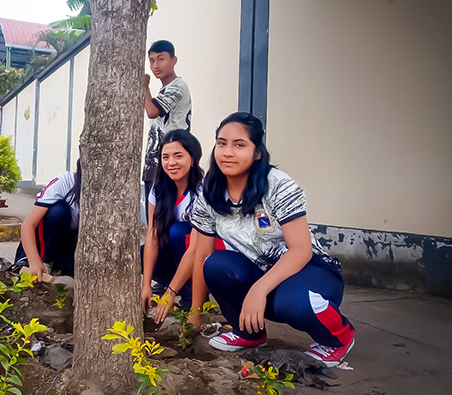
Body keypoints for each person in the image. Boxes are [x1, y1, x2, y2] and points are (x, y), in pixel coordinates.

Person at [189, 112, 355, 367]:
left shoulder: (277, 185)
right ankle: (249, 333)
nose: (228, 152)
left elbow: (301, 250)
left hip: (311, 271)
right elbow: (201, 255)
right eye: (221, 143)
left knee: (292, 302)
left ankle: (339, 339)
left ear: (257, 152)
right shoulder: (210, 193)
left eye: (239, 144)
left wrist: (258, 289)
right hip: (261, 271)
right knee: (215, 263)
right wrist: (195, 312)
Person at [140, 130, 203, 314]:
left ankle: (192, 295)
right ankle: (168, 282)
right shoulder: (158, 189)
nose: (171, 163)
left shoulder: (202, 191)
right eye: (165, 157)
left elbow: (196, 247)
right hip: (176, 257)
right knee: (141, 252)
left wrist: (170, 293)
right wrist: (146, 285)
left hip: (200, 260)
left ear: (192, 158)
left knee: (178, 232)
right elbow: (152, 234)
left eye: (178, 156)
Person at [143, 39, 192, 219]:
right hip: (155, 162)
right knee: (154, 221)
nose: (155, 65)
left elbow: (152, 111)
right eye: (152, 60)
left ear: (174, 60)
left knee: (165, 221)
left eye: (161, 59)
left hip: (170, 162)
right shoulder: (163, 91)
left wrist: (144, 85)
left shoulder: (178, 86)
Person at [14, 160, 81, 282]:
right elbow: (28, 225)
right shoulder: (65, 181)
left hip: (70, 246)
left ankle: (64, 267)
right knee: (58, 211)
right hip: (45, 242)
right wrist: (34, 261)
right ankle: (45, 262)